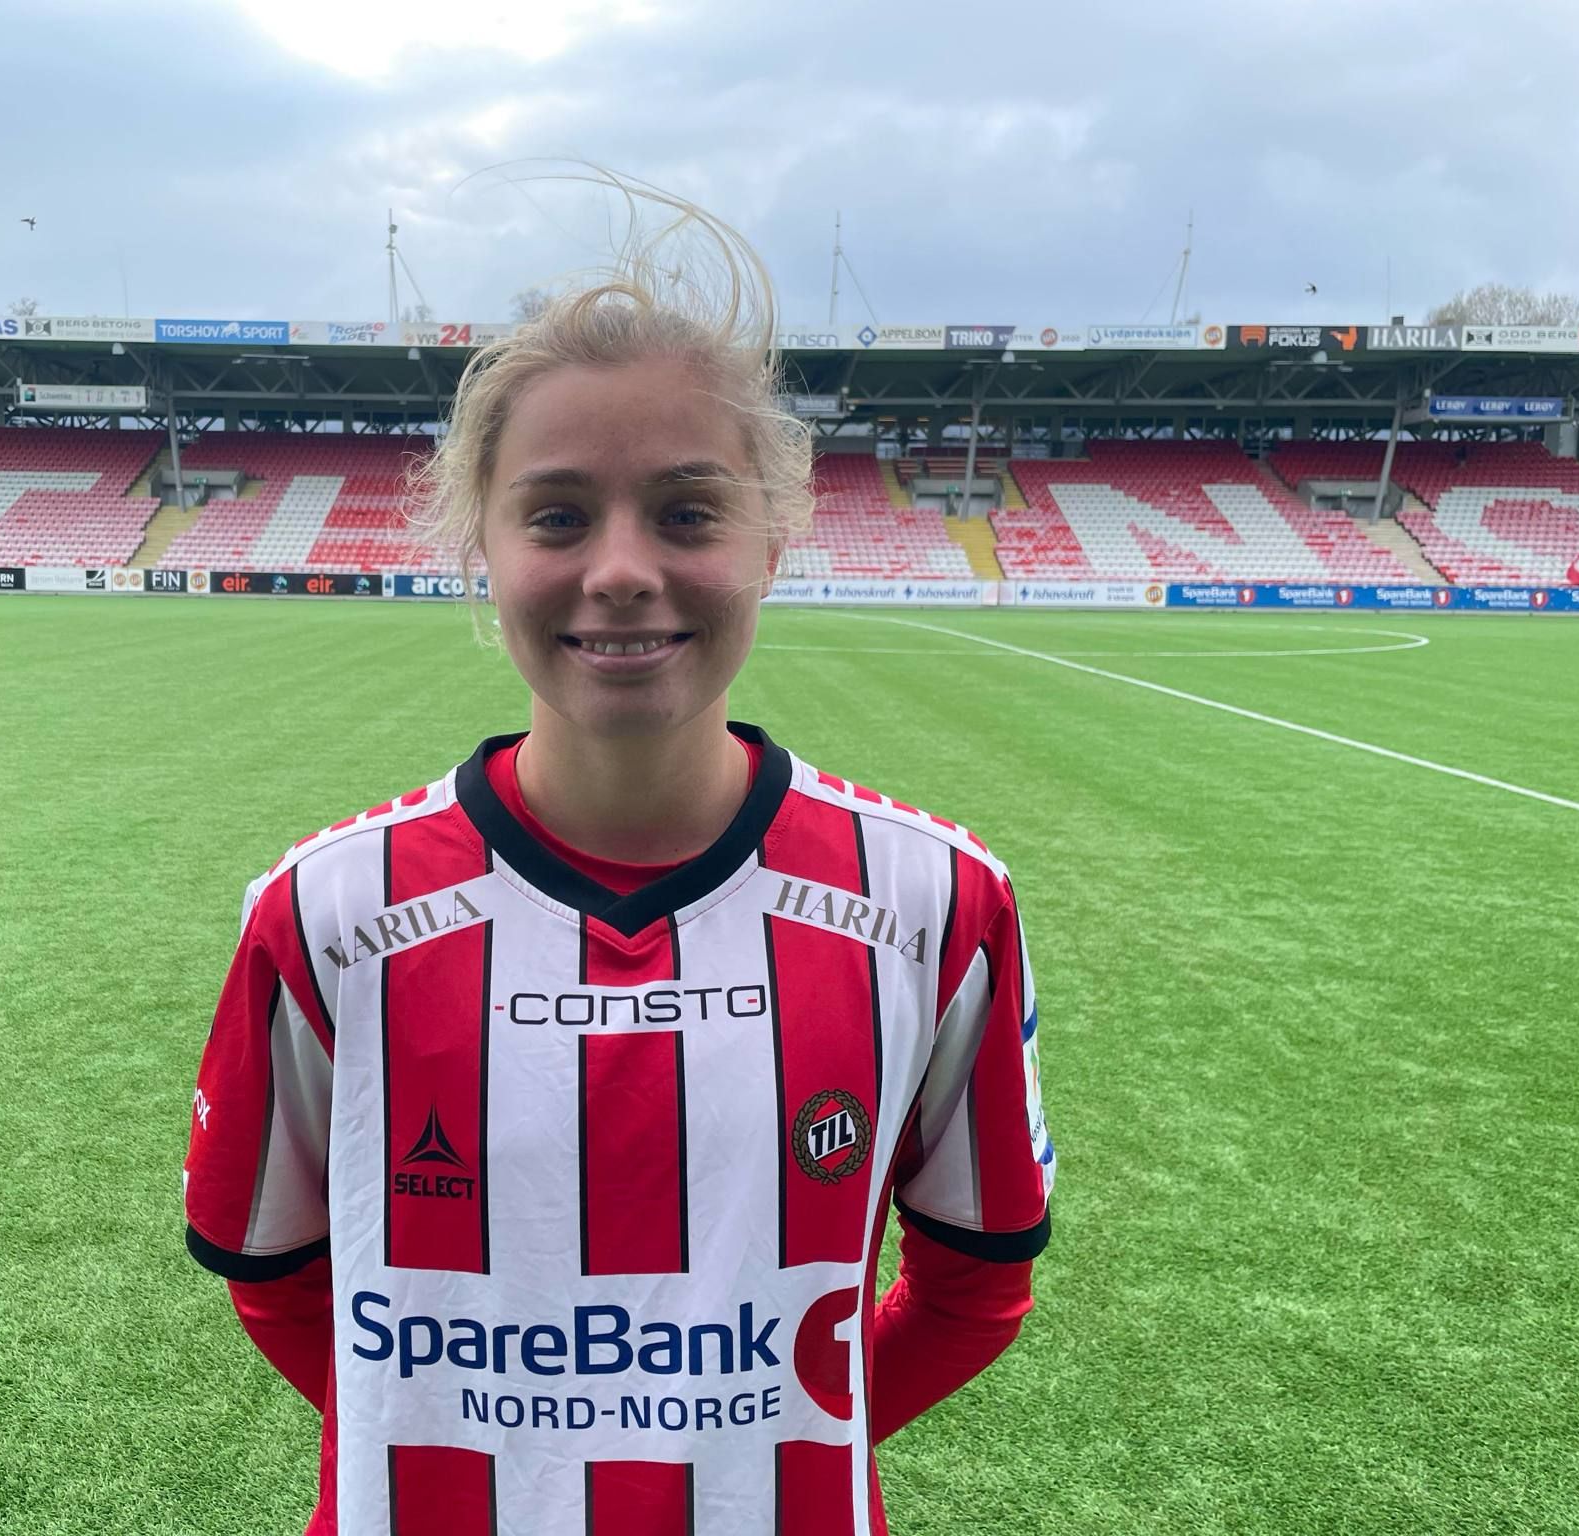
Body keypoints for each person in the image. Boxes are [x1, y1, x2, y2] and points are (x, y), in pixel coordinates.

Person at [182, 175, 1054, 1536]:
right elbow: (278, 1284)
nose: (623, 569)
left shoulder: (935, 906)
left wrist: (734, 1461)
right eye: (558, 516)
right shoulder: (326, 913)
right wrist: (497, 1462)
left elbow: (976, 1292)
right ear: (480, 545)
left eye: (689, 512)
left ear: (776, 536)